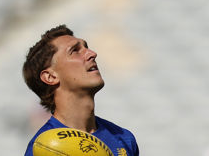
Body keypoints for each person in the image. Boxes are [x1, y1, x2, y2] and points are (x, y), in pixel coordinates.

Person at [23, 24, 139, 156]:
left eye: (86, 47)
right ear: (50, 76)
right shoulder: (43, 150)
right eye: (75, 50)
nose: (92, 54)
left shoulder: (124, 138)